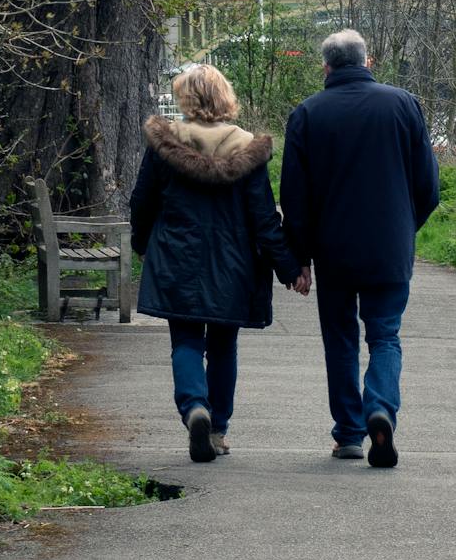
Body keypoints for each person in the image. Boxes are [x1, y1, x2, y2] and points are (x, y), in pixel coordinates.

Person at [129, 63, 307, 464]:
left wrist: (143, 245)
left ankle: (195, 406)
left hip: (177, 256)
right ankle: (218, 429)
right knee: (224, 346)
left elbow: (142, 202)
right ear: (226, 97)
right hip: (234, 263)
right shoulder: (247, 149)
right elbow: (264, 218)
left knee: (186, 340)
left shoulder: (165, 145)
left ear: (185, 100)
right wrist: (289, 267)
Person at [278, 29, 439, 469]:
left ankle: (349, 434)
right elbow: (428, 185)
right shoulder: (403, 104)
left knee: (341, 340)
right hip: (389, 247)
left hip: (334, 253)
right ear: (368, 62)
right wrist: (406, 227)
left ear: (326, 67)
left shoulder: (308, 113)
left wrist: (301, 257)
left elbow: (294, 196)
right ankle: (380, 408)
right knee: (385, 335)